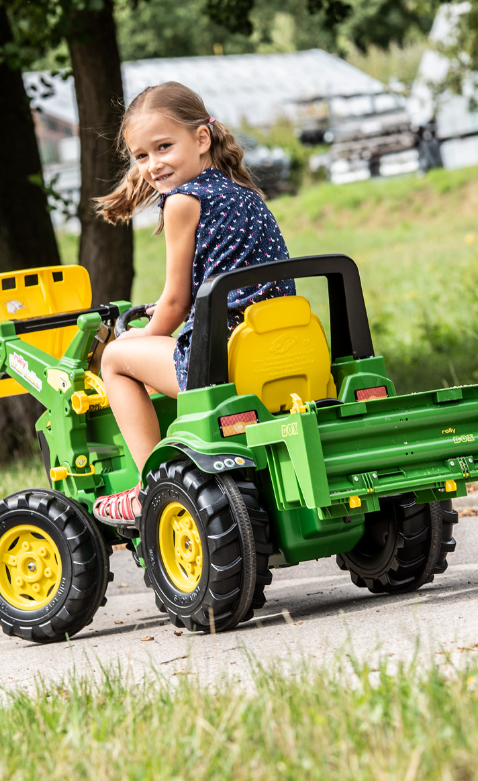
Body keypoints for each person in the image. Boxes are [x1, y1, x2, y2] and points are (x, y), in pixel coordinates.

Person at [91, 81, 294, 524]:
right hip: (279, 349)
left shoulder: (182, 202)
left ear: (201, 138)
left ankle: (152, 485)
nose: (152, 164)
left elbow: (177, 301)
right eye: (141, 156)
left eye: (163, 147)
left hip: (222, 360)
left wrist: (145, 333)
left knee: (117, 359)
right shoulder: (245, 194)